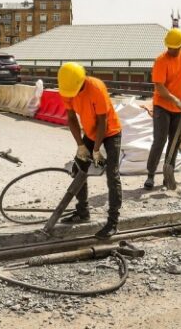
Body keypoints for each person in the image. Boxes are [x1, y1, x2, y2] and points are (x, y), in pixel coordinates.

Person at [57, 62, 123, 239]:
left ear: (82, 81)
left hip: (110, 132)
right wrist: (81, 146)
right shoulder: (67, 89)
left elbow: (103, 122)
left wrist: (96, 150)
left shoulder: (96, 88)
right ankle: (83, 211)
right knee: (78, 168)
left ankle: (113, 222)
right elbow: (71, 118)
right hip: (91, 133)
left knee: (112, 175)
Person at [144, 28, 181, 189]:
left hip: (179, 108)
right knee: (160, 140)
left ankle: (168, 173)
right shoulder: (161, 61)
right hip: (162, 106)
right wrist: (176, 101)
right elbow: (160, 88)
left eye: (175, 48)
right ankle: (150, 174)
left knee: (175, 142)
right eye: (169, 47)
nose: (171, 50)